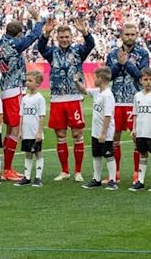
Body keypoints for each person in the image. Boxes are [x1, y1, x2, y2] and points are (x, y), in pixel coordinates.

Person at [37, 17, 94, 182]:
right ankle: (64, 171)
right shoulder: (52, 52)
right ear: (57, 38)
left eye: (67, 37)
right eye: (61, 37)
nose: (64, 40)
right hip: (57, 99)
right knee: (60, 135)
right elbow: (41, 47)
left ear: (71, 37)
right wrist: (45, 33)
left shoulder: (78, 51)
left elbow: (90, 45)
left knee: (77, 134)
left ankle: (78, 172)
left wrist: (85, 32)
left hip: (74, 98)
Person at [0, 7, 43, 181]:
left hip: (5, 88)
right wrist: (38, 20)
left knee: (9, 130)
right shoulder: (14, 44)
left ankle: (6, 168)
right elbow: (32, 37)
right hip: (15, 89)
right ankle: (7, 169)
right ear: (18, 34)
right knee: (15, 130)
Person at [106, 23, 149, 184]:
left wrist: (127, 63)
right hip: (116, 101)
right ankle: (115, 172)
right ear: (121, 36)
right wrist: (119, 63)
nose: (130, 37)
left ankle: (137, 172)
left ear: (136, 35)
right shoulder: (112, 54)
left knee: (136, 138)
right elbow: (109, 76)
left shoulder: (143, 53)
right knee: (114, 137)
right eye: (127, 34)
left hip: (135, 101)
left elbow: (141, 75)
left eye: (132, 34)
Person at [76, 67, 118, 191]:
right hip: (95, 131)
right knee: (96, 155)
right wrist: (76, 81)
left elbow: (108, 115)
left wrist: (104, 133)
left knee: (109, 155)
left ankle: (112, 180)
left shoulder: (108, 95)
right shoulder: (97, 92)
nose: (93, 79)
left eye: (95, 77)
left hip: (105, 133)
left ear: (100, 79)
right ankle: (97, 179)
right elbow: (84, 90)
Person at [129, 68, 151, 193]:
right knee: (142, 155)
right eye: (145, 80)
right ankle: (140, 181)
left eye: (150, 79)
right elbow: (135, 113)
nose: (148, 82)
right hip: (141, 131)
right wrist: (134, 129)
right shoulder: (137, 96)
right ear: (140, 81)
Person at [15, 71, 46, 188]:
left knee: (38, 153)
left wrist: (39, 132)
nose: (27, 83)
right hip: (26, 132)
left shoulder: (39, 98)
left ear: (37, 83)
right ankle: (27, 177)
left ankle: (38, 177)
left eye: (30, 81)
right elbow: (21, 115)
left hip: (35, 133)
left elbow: (41, 116)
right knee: (27, 154)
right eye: (26, 81)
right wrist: (20, 131)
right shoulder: (24, 98)